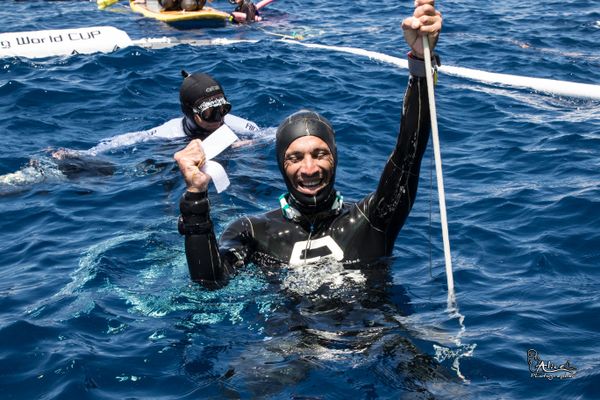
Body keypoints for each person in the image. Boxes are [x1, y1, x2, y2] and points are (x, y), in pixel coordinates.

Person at [174, 0, 442, 285]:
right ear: (281, 164)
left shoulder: (371, 220)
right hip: (291, 330)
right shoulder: (254, 232)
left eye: (320, 154)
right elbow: (210, 282)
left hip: (372, 329)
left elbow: (408, 155)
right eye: (295, 157)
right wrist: (195, 197)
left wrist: (420, 61)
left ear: (335, 157)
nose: (310, 168)